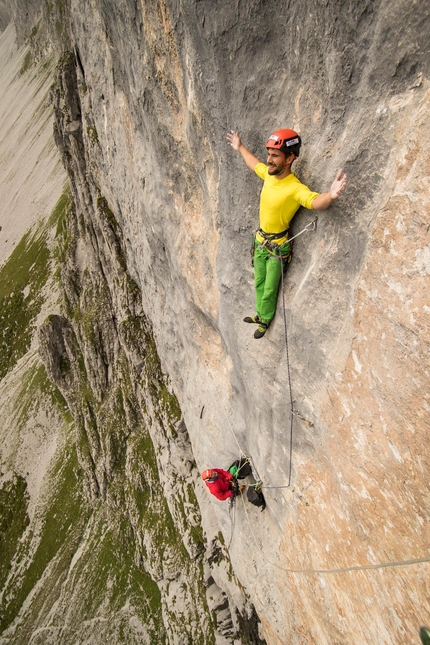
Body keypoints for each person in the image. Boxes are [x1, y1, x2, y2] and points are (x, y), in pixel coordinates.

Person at [226, 128, 348, 338]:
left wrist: (332, 195)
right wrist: (240, 147)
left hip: (277, 248)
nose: (269, 160)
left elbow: (315, 201)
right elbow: (254, 164)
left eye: (275, 155)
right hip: (260, 241)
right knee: (259, 282)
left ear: (290, 158)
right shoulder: (269, 175)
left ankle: (264, 320)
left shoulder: (294, 188)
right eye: (269, 154)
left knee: (270, 289)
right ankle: (260, 313)